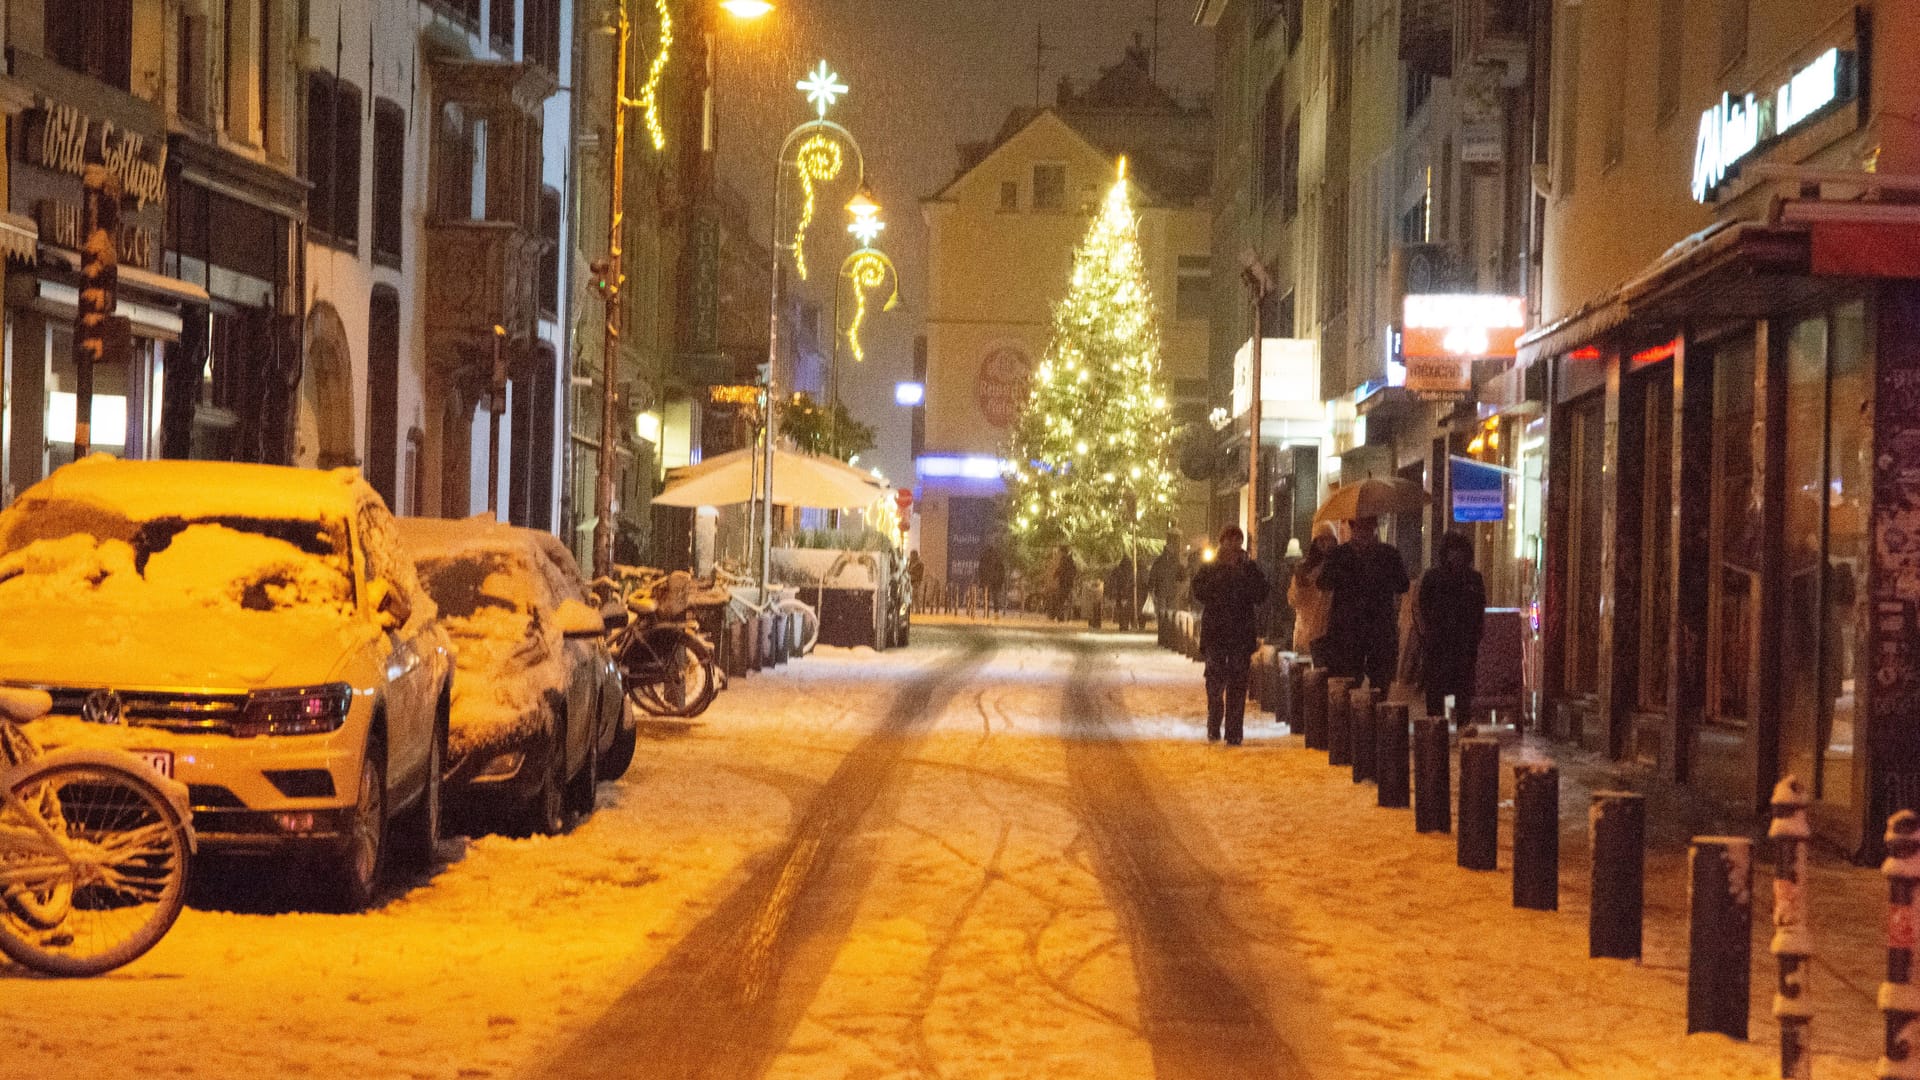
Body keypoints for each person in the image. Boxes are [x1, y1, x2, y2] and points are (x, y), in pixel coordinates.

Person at [1189, 525, 1270, 745]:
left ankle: (1234, 731)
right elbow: (1199, 591)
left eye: (1238, 540)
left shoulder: (1248, 567)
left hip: (1241, 636)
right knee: (1215, 683)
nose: (1234, 545)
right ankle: (1214, 721)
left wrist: (1243, 574)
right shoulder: (1211, 567)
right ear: (1222, 542)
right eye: (1230, 540)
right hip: (1216, 634)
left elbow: (1261, 593)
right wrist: (1223, 573)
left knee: (1237, 684)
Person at [1322, 514, 1409, 692]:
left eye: (1368, 527)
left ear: (1374, 527)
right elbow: (1324, 583)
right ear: (1353, 528)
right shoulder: (1340, 554)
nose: (1363, 532)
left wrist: (1382, 577)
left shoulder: (1388, 554)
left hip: (1379, 629)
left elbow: (1402, 584)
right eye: (1359, 527)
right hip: (1347, 630)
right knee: (1347, 684)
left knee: (1380, 685)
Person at [1417, 531, 1488, 724]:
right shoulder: (1434, 578)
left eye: (1460, 551)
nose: (1456, 556)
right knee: (1436, 690)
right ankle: (1435, 729)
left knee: (1463, 689)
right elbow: (1422, 607)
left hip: (1464, 644)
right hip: (1438, 643)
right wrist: (1427, 633)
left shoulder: (1473, 579)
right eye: (1452, 551)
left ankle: (1462, 726)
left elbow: (1479, 608)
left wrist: (1476, 633)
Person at [1287, 525, 1339, 662]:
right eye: (1321, 540)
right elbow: (1293, 601)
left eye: (1329, 540)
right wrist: (1303, 583)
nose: (1326, 544)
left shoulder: (1339, 568)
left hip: (1330, 636)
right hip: (1305, 635)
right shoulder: (1304, 568)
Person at [1149, 530, 1186, 640]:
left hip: (1161, 591)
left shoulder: (1159, 561)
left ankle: (1163, 634)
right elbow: (1182, 576)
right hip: (1171, 592)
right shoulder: (1175, 562)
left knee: (1163, 613)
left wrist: (1151, 588)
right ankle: (1169, 635)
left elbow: (1153, 575)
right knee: (1170, 613)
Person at [1047, 544, 1078, 622]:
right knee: (1065, 600)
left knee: (1060, 600)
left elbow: (1061, 569)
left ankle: (1061, 618)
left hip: (1064, 583)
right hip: (1069, 583)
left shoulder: (1064, 559)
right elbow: (1074, 571)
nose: (1058, 553)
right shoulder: (1071, 560)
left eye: (1059, 551)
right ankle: (1066, 617)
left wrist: (1055, 575)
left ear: (1062, 552)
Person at [976, 543, 1006, 615]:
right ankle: (996, 613)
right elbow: (1002, 571)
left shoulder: (984, 558)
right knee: (995, 597)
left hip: (987, 580)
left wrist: (981, 580)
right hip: (996, 581)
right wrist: (1001, 581)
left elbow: (980, 570)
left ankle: (986, 612)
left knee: (986, 597)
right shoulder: (998, 558)